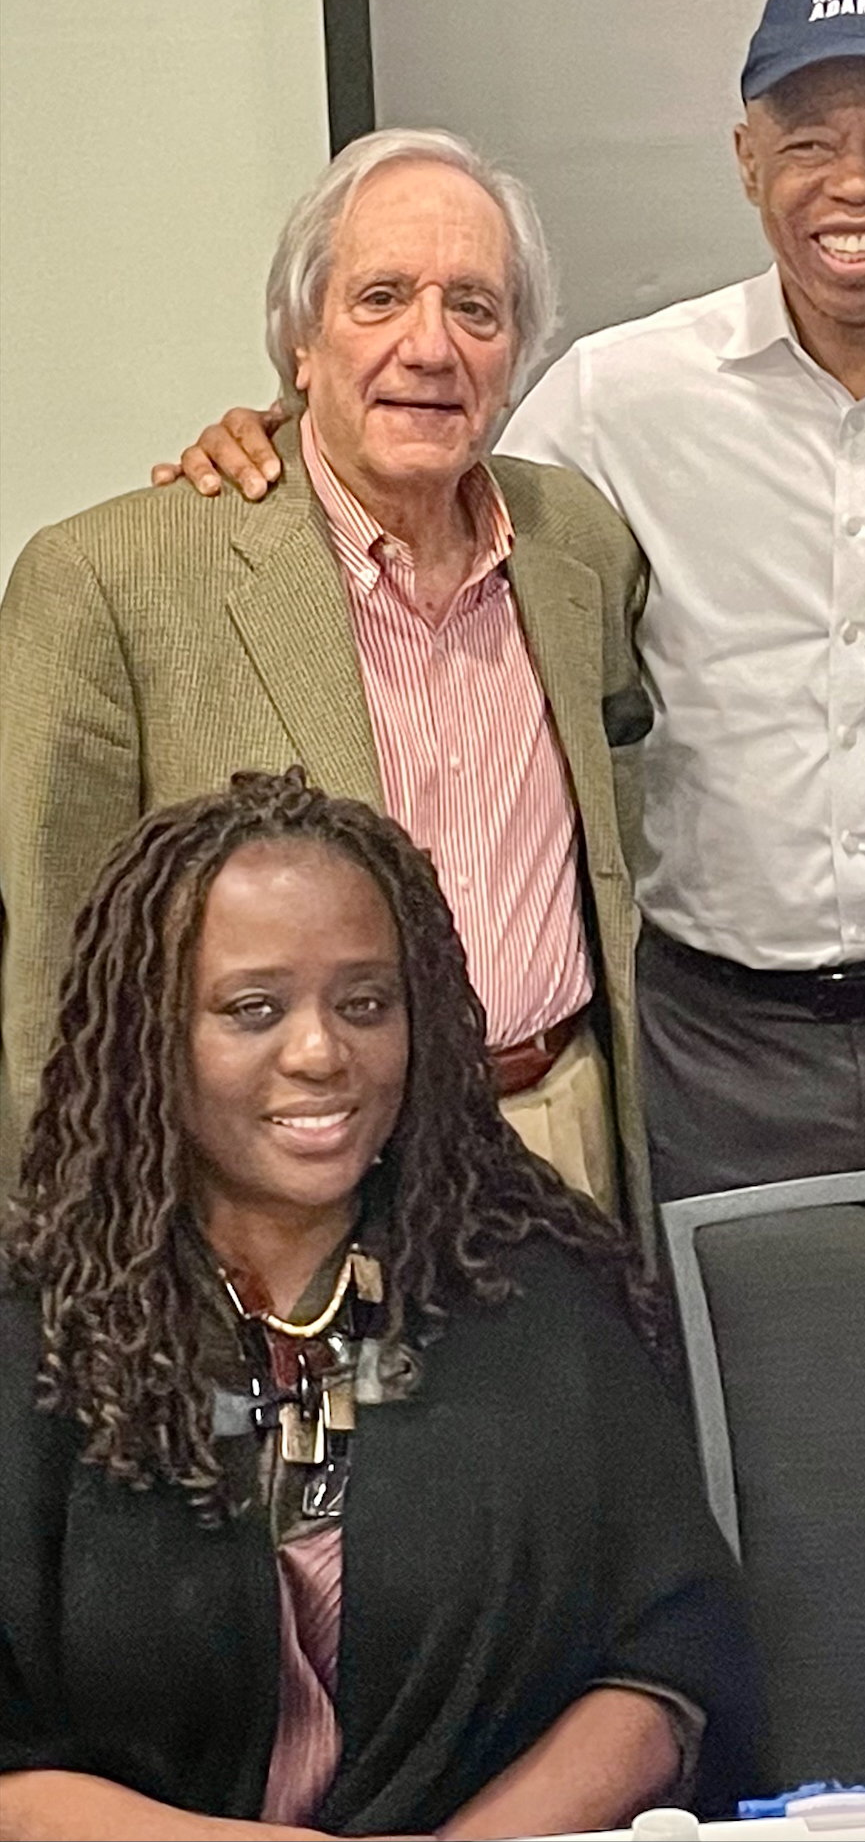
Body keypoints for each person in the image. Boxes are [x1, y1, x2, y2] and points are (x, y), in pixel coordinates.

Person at [152, 0, 865, 1205]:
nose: (852, 182)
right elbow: (421, 471)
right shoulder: (614, 399)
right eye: (806, 142)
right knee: (705, 1386)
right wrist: (276, 424)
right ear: (747, 159)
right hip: (705, 1049)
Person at [0, 771, 758, 1839]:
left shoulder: (531, 1290)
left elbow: (669, 1669)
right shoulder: (38, 1329)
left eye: (365, 1003)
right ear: (149, 1035)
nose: (321, 1054)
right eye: (251, 1009)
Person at [0, 129, 655, 1264]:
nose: (429, 347)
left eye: (476, 310)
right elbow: (43, 985)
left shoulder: (577, 546)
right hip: (268, 1183)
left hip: (562, 1137)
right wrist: (71, 1259)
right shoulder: (109, 581)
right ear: (301, 342)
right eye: (382, 298)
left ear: (516, 356)